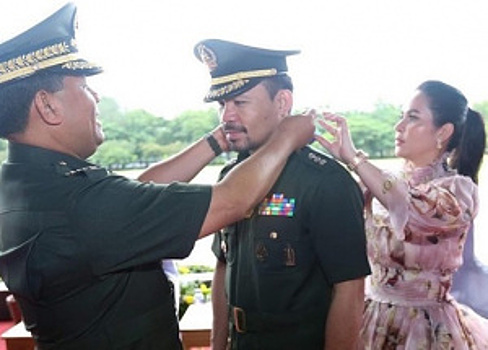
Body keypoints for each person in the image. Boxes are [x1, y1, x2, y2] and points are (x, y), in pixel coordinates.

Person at [0, 4, 315, 350]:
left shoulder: (22, 186)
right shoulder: (81, 202)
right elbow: (231, 201)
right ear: (48, 106)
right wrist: (287, 136)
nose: (97, 96)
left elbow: (140, 191)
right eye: (85, 86)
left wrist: (219, 139)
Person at [194, 38, 371, 350]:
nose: (226, 117)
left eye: (240, 103)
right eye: (222, 105)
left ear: (282, 103)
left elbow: (350, 289)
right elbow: (224, 264)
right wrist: (218, 345)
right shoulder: (230, 179)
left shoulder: (325, 182)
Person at [315, 80, 488, 348]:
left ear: (443, 132)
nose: (399, 126)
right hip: (370, 319)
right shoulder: (382, 186)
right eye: (401, 116)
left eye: (413, 117)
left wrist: (355, 158)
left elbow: (410, 208)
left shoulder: (457, 191)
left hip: (424, 330)